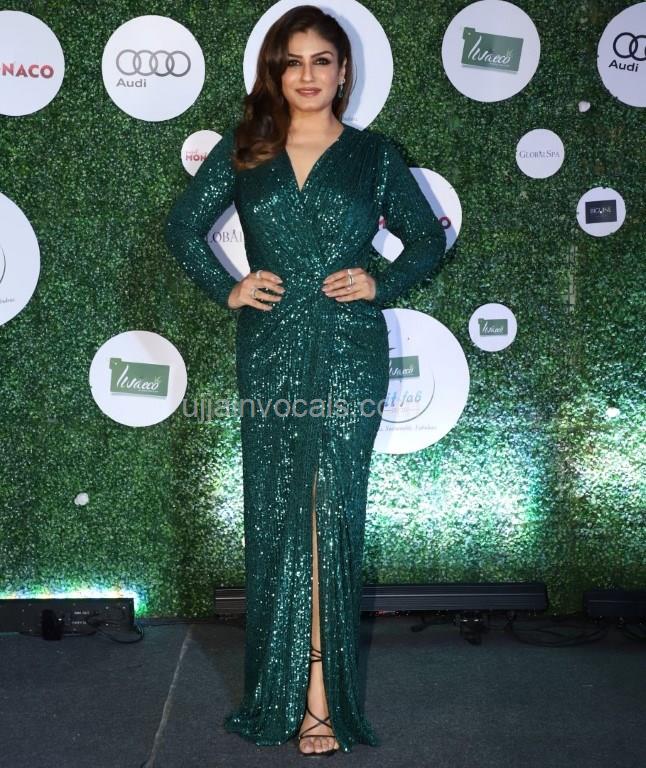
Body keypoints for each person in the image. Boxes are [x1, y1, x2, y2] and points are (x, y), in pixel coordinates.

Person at [165, 4, 447, 756]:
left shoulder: (374, 155)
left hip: (350, 348)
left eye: (322, 60)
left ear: (343, 70)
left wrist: (379, 281)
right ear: (275, 72)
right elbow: (182, 228)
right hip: (270, 348)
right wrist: (228, 286)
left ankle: (321, 689)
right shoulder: (246, 150)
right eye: (293, 62)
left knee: (332, 509)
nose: (308, 75)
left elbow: (427, 238)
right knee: (281, 510)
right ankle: (280, 687)